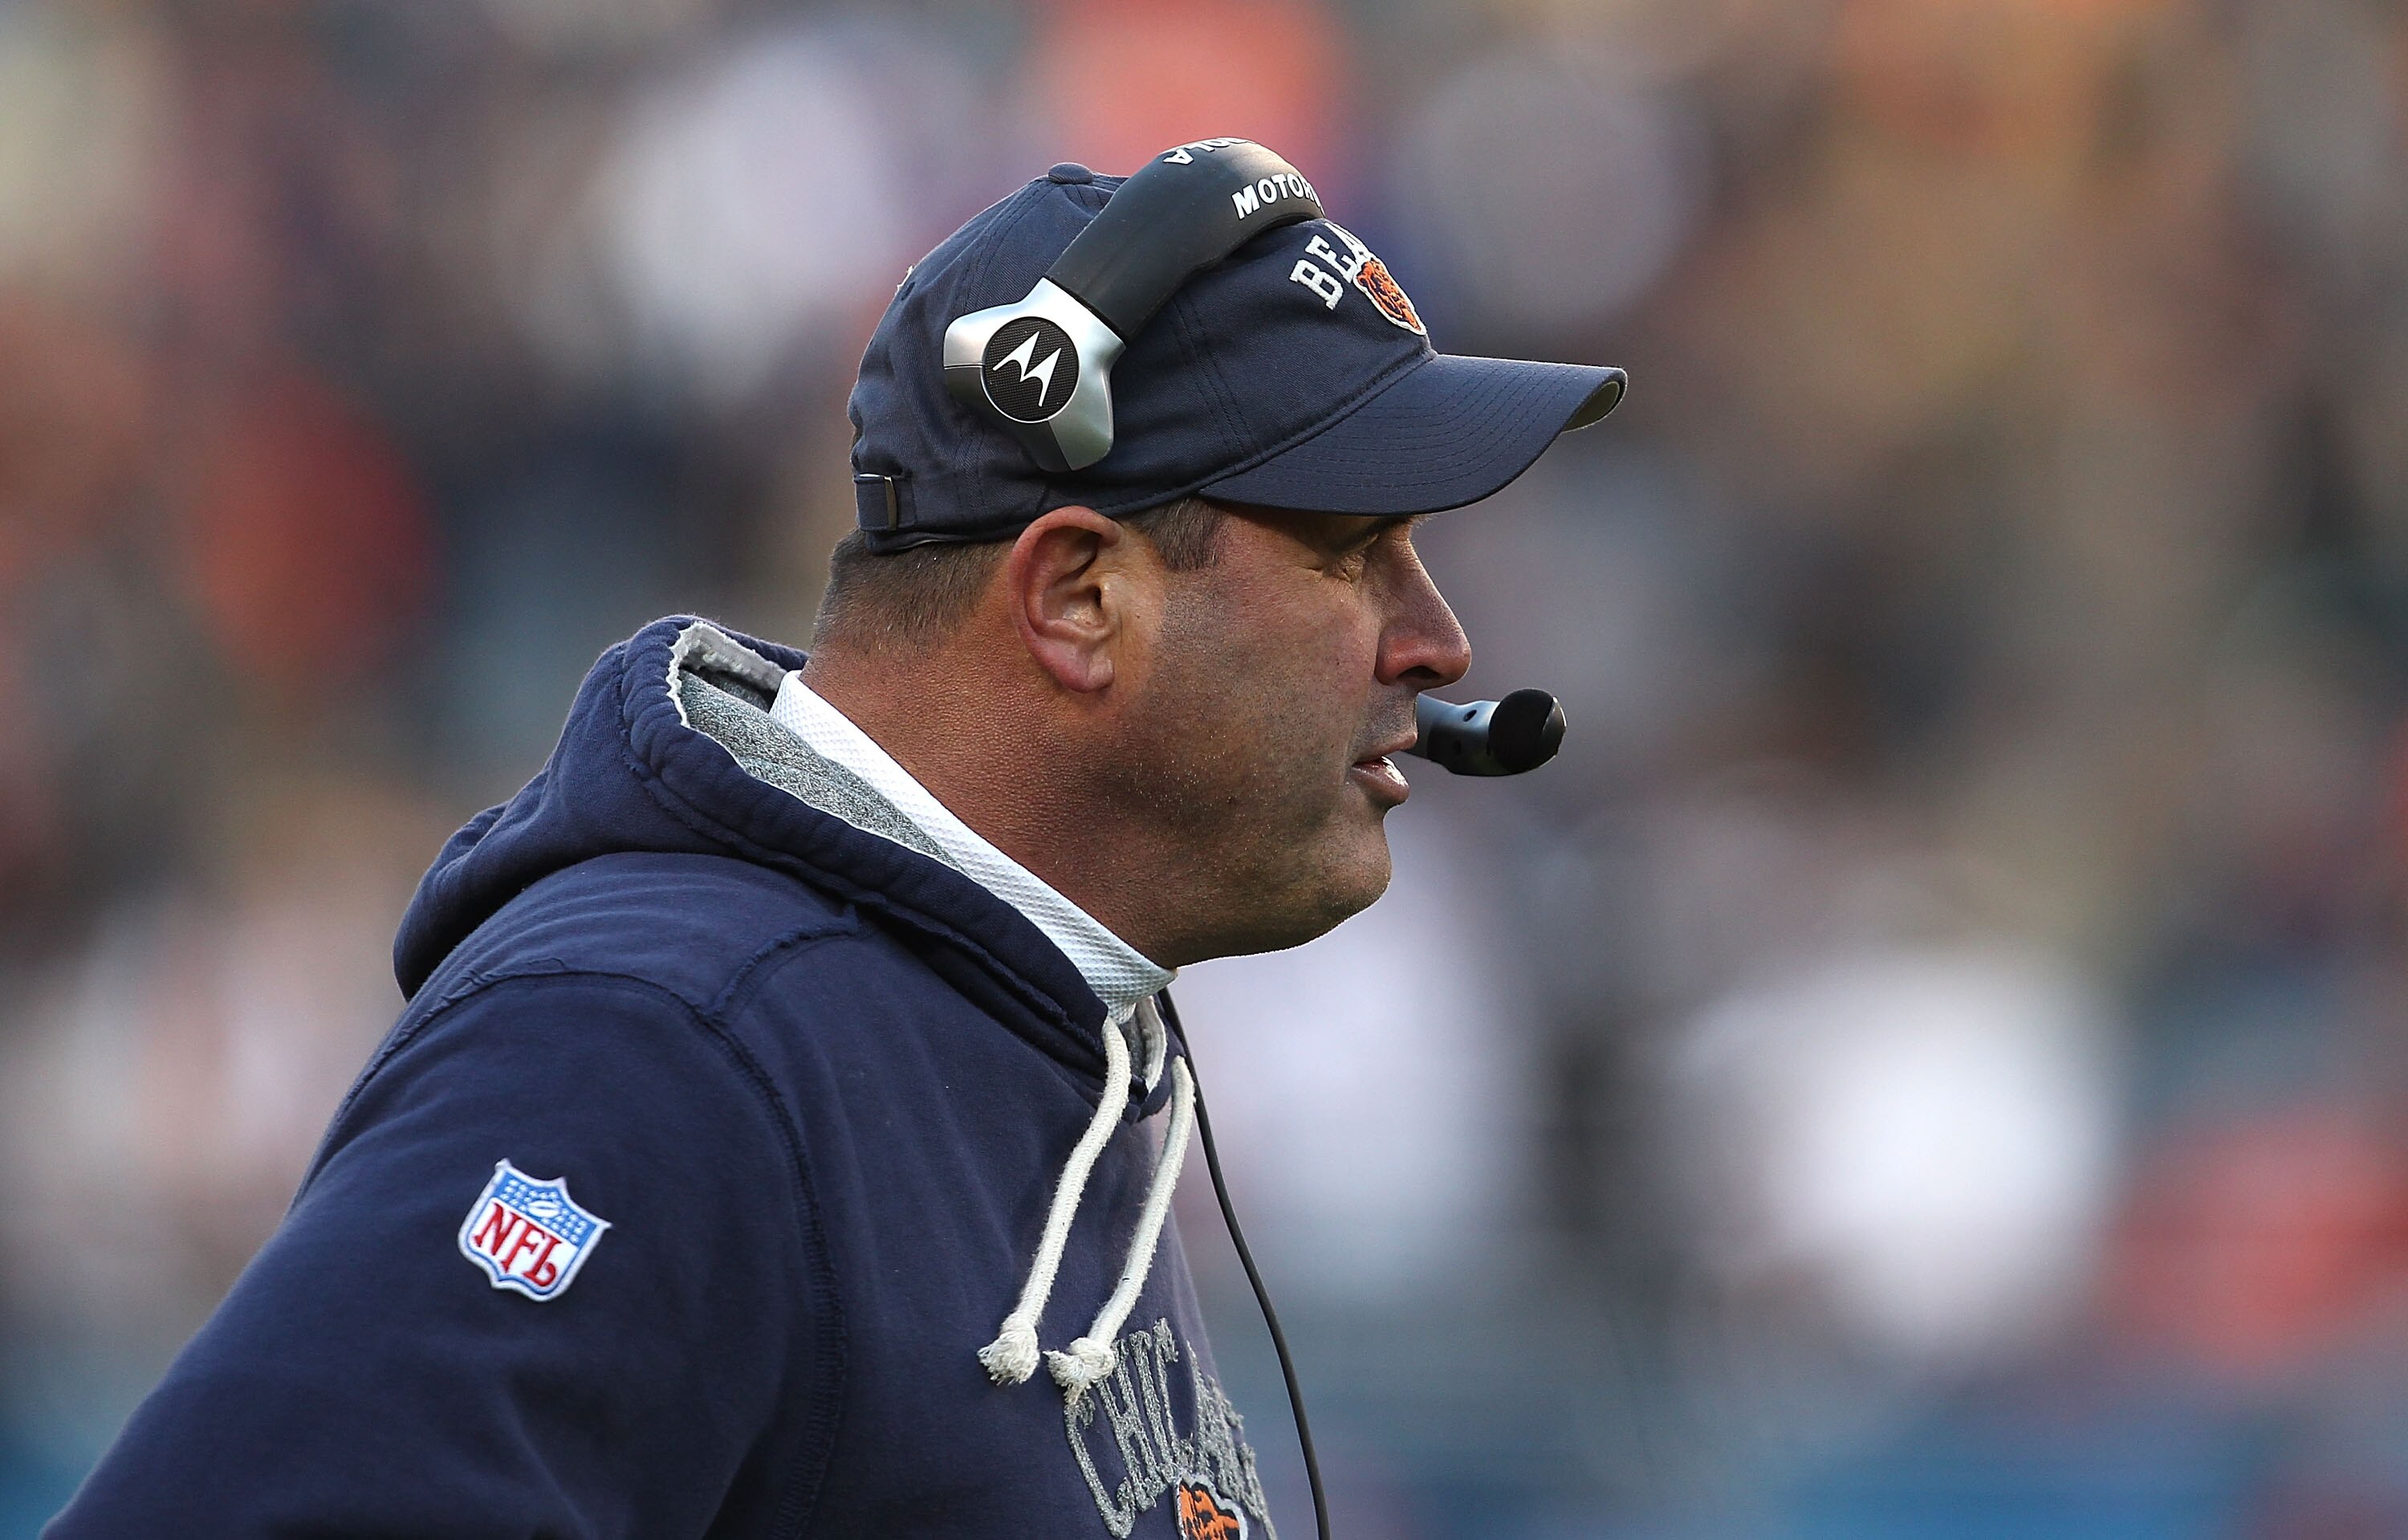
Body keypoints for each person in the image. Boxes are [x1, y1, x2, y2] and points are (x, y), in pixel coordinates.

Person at [45, 149, 1621, 1539]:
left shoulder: (1007, 1015)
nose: (1438, 640)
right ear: (1078, 597)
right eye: (1356, 551)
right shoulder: (659, 1052)